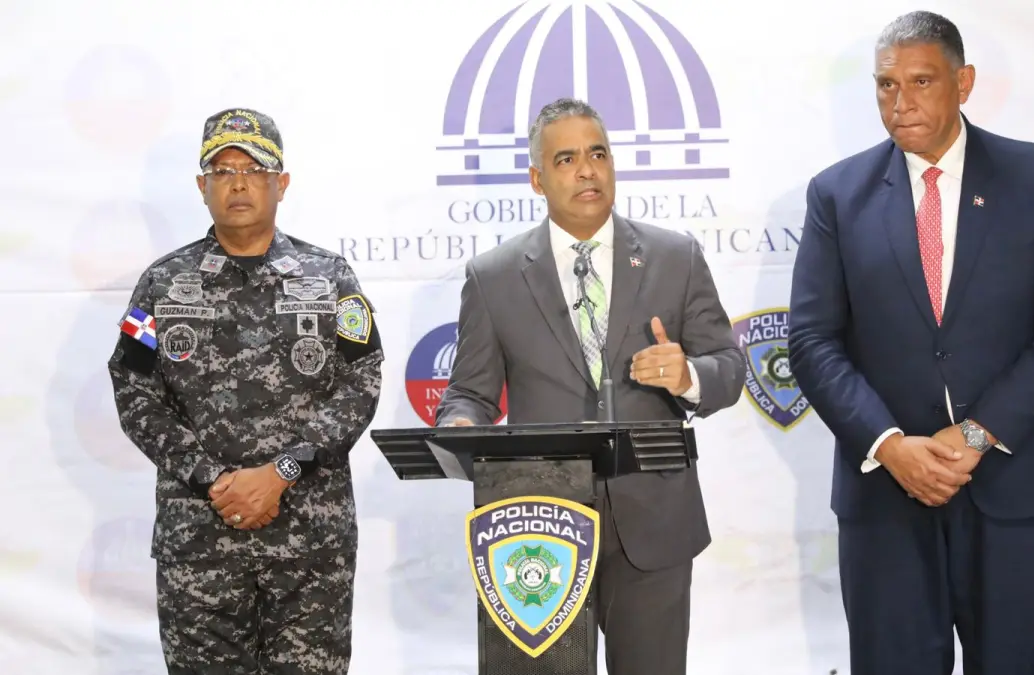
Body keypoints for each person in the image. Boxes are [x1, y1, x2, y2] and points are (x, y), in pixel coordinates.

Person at [787, 11, 1034, 675]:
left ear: (964, 83)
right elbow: (812, 341)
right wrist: (888, 444)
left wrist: (978, 434)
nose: (900, 102)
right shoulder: (836, 196)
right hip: (887, 496)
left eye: (921, 81)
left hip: (1019, 490)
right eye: (886, 85)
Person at [436, 97, 743, 675]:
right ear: (536, 179)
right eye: (567, 159)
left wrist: (689, 376)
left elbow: (728, 366)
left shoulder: (675, 257)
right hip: (538, 527)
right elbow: (471, 393)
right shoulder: (494, 276)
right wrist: (460, 423)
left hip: (652, 520)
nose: (586, 171)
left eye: (598, 154)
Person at [108, 108, 384, 674]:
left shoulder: (329, 278)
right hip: (200, 543)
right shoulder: (161, 283)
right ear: (201, 186)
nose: (238, 183)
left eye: (255, 170)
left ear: (282, 183)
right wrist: (212, 479)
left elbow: (362, 381)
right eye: (223, 170)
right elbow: (133, 387)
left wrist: (282, 471)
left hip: (309, 543)